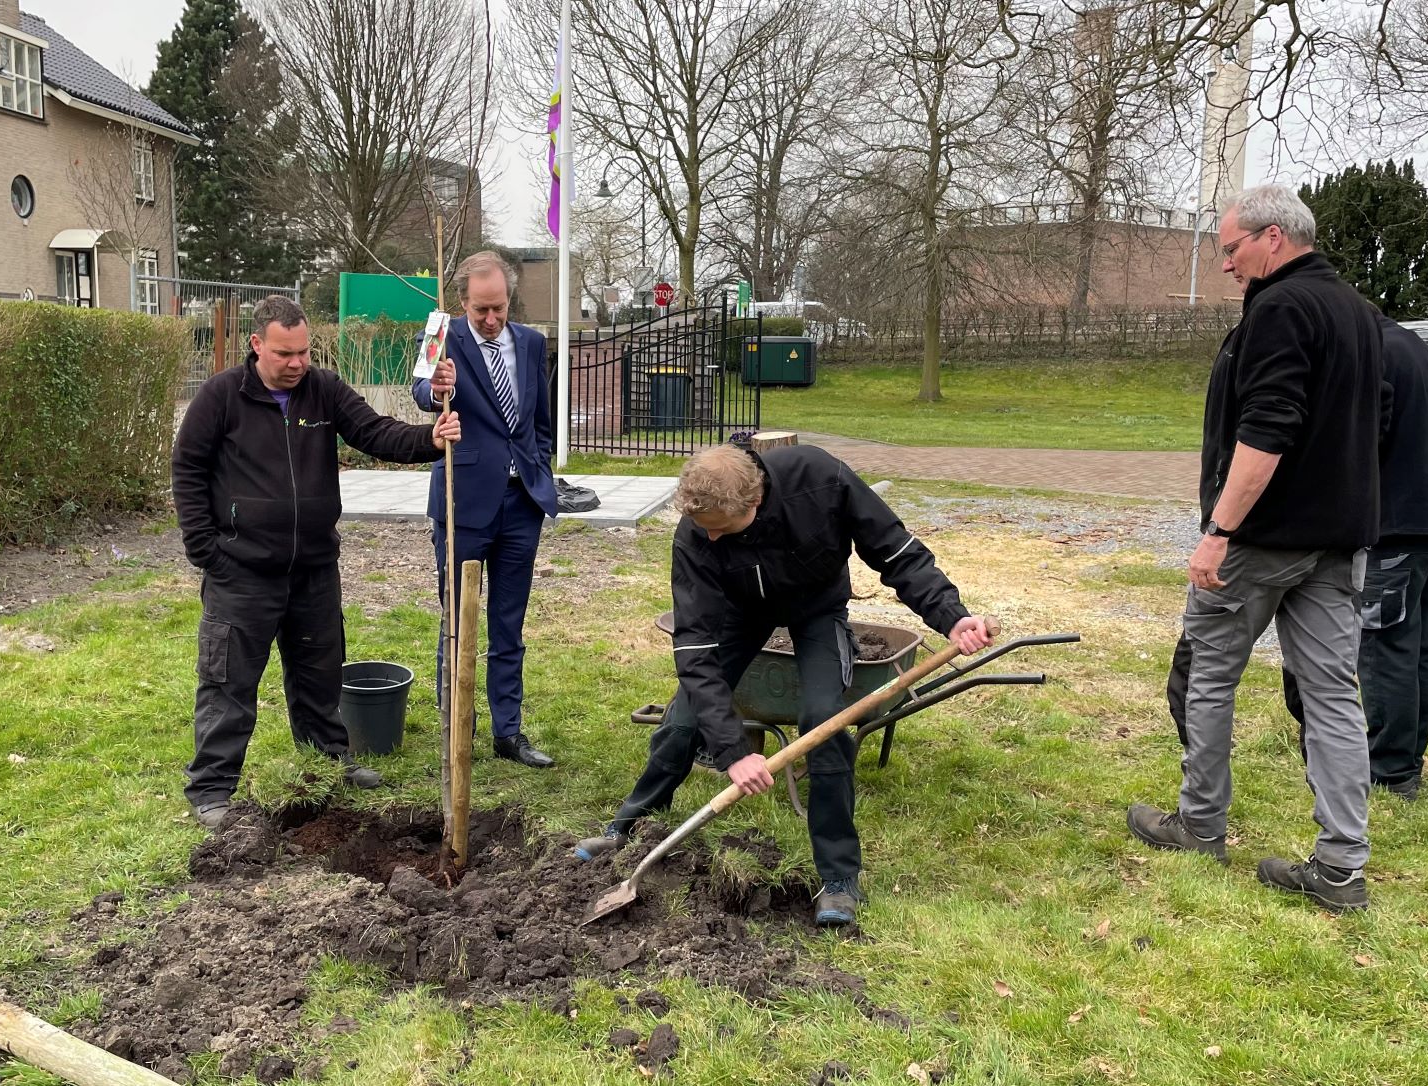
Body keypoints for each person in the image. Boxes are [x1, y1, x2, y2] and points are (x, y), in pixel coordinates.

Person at [574, 444, 996, 928]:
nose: (708, 536)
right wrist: (734, 752)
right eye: (702, 527)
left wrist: (952, 616)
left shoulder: (821, 479)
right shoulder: (697, 532)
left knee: (824, 721)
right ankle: (628, 826)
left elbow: (896, 552)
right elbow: (693, 648)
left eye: (719, 528)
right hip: (736, 615)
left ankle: (838, 879)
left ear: (751, 504)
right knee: (685, 717)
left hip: (818, 610)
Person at [1127, 184, 1384, 912]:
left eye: (1232, 249)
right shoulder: (1359, 313)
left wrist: (1219, 532)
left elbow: (1268, 427)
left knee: (1211, 675)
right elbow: (1379, 420)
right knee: (1333, 696)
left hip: (1263, 540)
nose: (1228, 266)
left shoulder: (1280, 309)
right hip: (1337, 542)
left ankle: (1199, 823)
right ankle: (1342, 866)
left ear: (1273, 238)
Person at [174, 295, 458, 831]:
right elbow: (187, 470)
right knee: (228, 682)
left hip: (313, 570)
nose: (298, 362)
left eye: (303, 351)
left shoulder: (322, 390)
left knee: (319, 673)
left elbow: (375, 431)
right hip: (241, 573)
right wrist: (206, 551)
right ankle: (212, 788)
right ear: (256, 345)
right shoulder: (220, 398)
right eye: (285, 354)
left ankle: (328, 760)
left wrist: (430, 439)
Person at [1277, 314, 1428, 800]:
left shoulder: (1369, 357)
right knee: (1418, 645)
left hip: (1396, 525)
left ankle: (1389, 768)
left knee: (1385, 647)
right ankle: (1406, 757)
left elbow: (1355, 444)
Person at [410, 252, 559, 769]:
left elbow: (539, 419)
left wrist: (538, 466)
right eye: (480, 311)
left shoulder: (533, 343)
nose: (491, 320)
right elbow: (420, 389)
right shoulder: (439, 332)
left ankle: (508, 733)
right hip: (463, 498)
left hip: (521, 505)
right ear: (462, 302)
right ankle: (458, 731)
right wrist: (438, 390)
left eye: (498, 308)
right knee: (458, 618)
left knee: (508, 625)